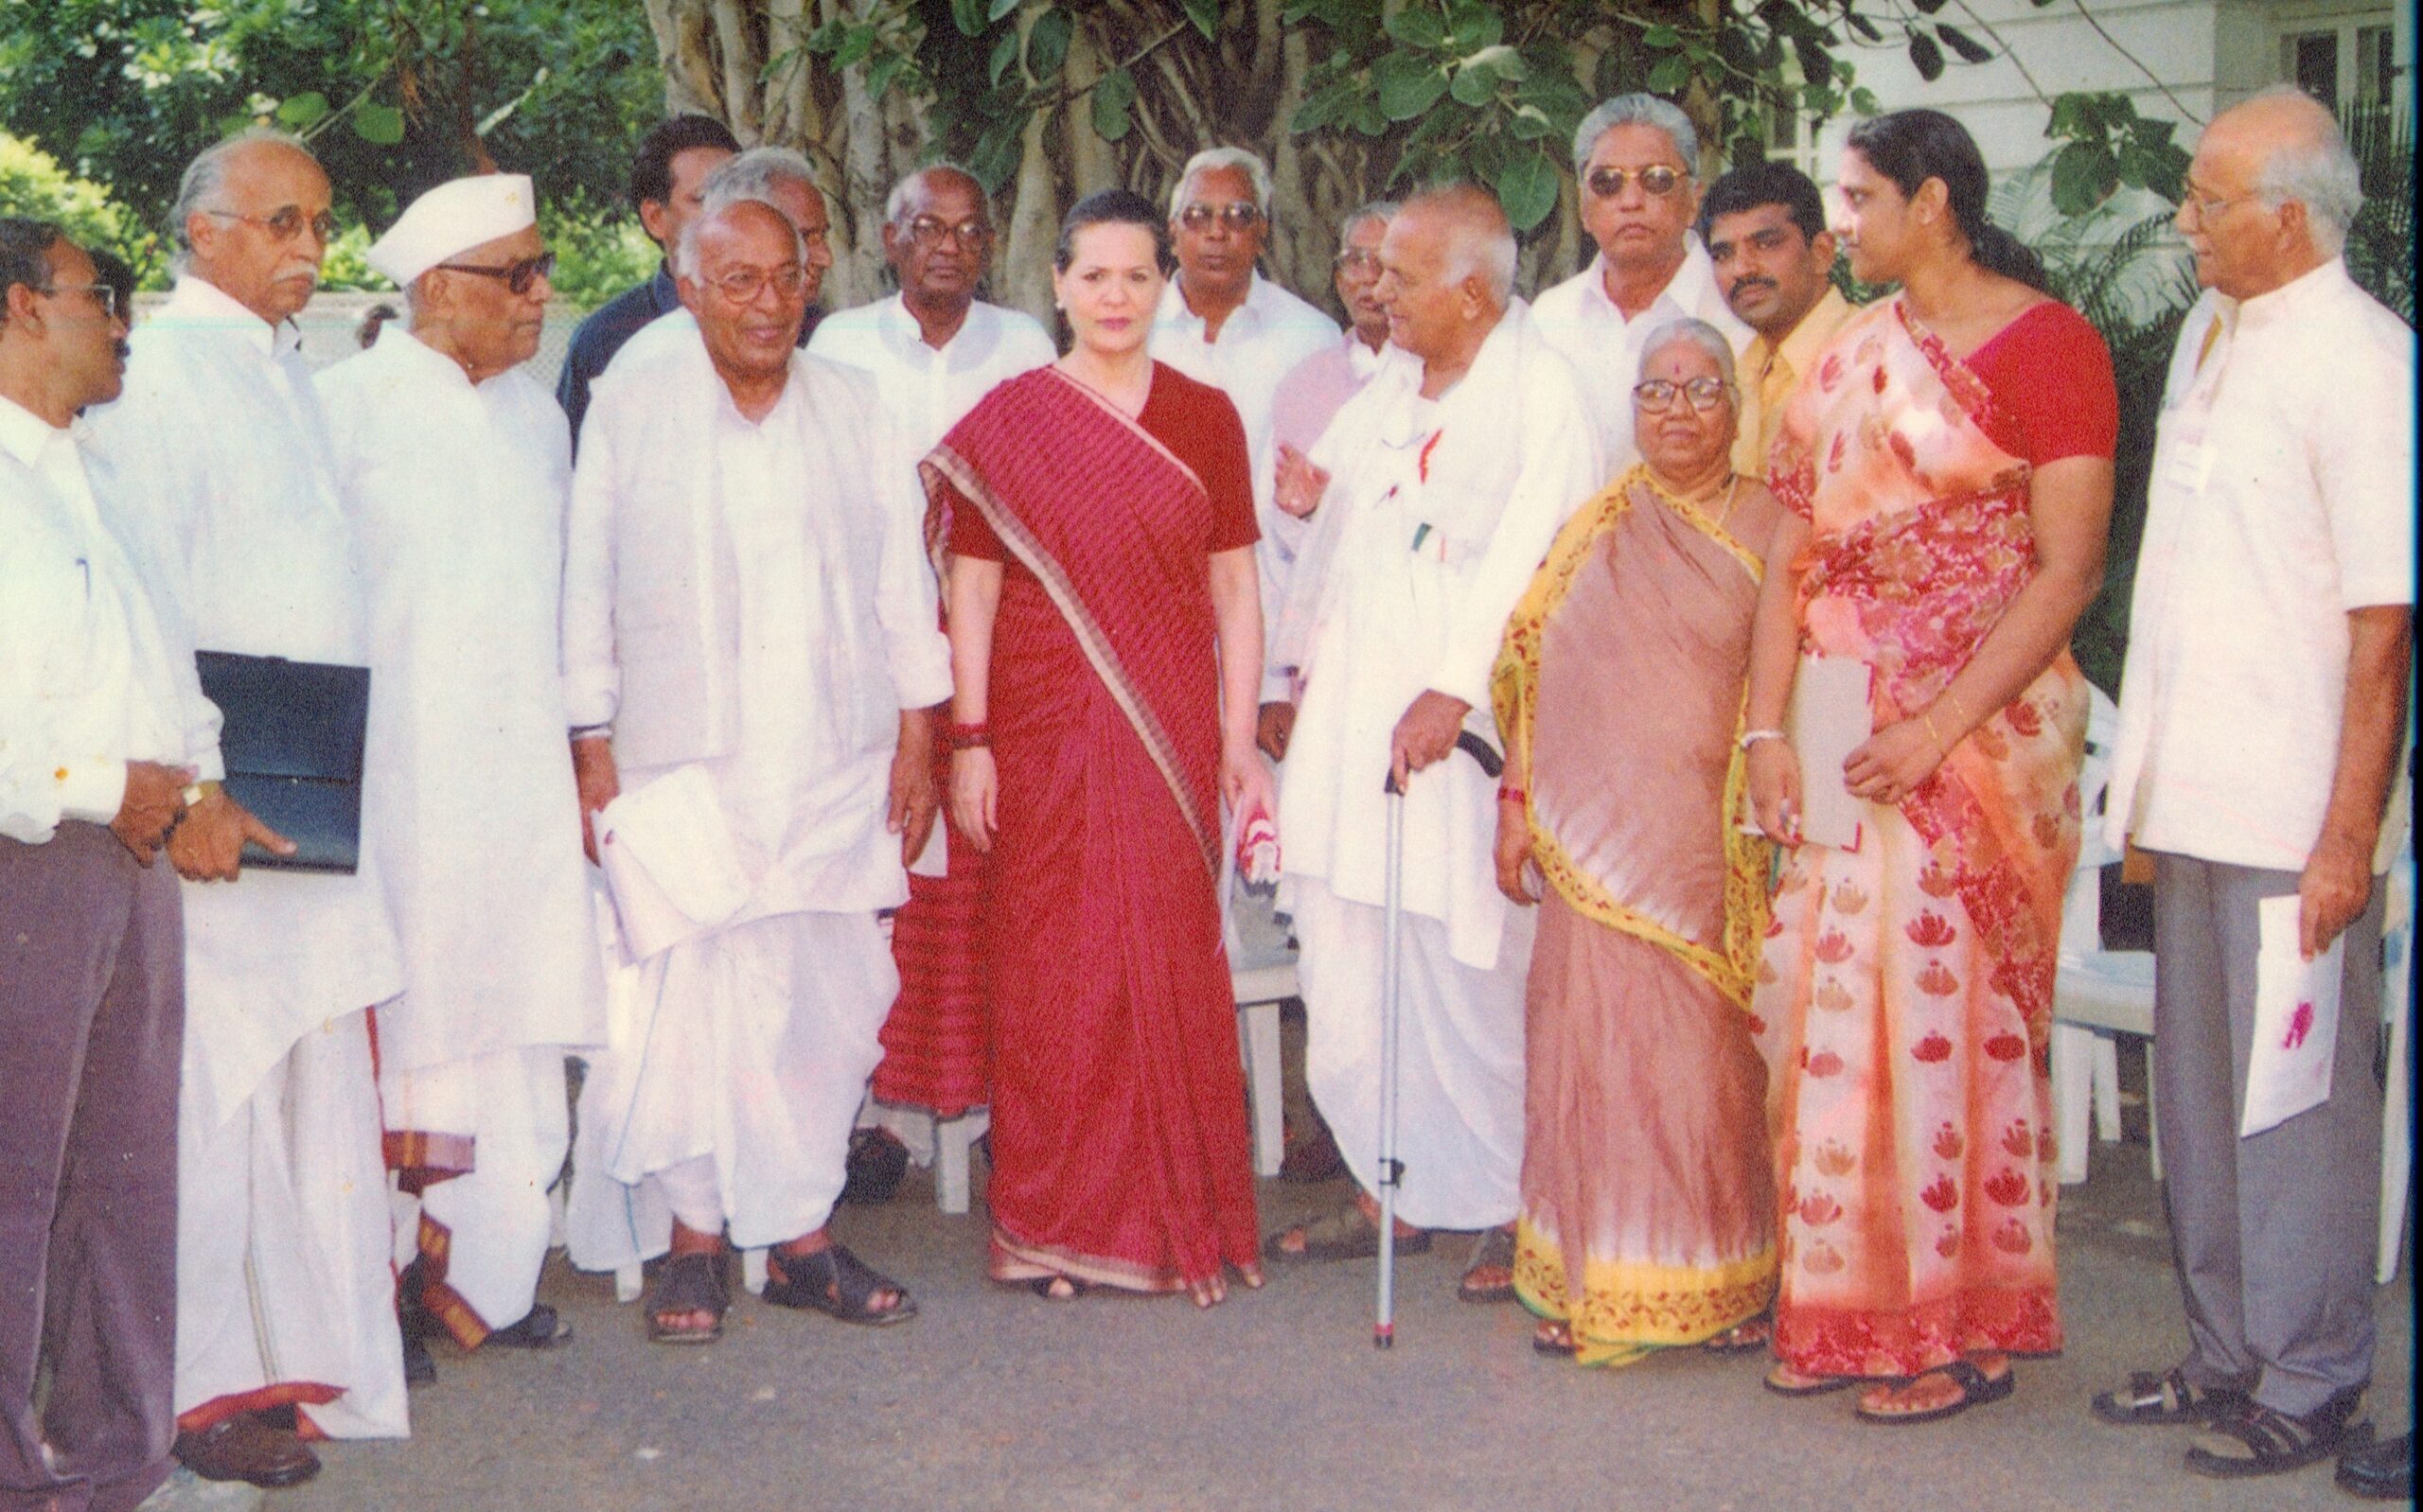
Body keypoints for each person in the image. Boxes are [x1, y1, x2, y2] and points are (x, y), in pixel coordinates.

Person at [1742, 109, 2116, 1425]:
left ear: (1934, 200)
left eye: (1856, 200)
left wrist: (1939, 723)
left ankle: (1948, 1331)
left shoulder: (2050, 345)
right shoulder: (1848, 356)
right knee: (1815, 1006)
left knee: (1934, 1021)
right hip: (1841, 711)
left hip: (1976, 737)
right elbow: (1792, 554)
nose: (1839, 226)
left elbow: (2067, 571)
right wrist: (1768, 731)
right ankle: (1836, 1309)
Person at [559, 197, 947, 1344]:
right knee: (683, 1001)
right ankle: (693, 1239)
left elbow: (898, 578)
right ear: (686, 286)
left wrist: (922, 727)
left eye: (786, 279)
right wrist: (589, 740)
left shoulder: (853, 402)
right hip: (678, 759)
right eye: (739, 282)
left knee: (824, 1003)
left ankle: (798, 1237)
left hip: (836, 754)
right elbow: (586, 576)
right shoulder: (632, 396)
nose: (770, 303)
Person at [83, 129, 410, 1487]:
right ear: (202, 232)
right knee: (207, 1092)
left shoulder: (287, 371)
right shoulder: (158, 381)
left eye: (320, 225)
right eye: (280, 222)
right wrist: (197, 783)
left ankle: (287, 1355)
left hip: (306, 795)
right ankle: (195, 1385)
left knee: (291, 1079)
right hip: (220, 808)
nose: (307, 248)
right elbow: (144, 603)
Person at [2097, 88, 2413, 1480]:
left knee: (2298, 1110)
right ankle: (2225, 1352)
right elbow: (2174, 589)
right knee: (2203, 1107)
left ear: (2290, 215)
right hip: (2198, 800)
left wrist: (2349, 835)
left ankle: (2313, 1370)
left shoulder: (2366, 358)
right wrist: (2144, 802)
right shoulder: (2213, 337)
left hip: (2297, 814)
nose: (2187, 221)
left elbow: (2383, 622)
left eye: (2211, 200)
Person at [928, 187, 1272, 1307]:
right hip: (1036, 722)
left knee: (1163, 958)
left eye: (1137, 276)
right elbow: (970, 589)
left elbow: (1235, 586)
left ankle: (1166, 1220)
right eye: (1094, 276)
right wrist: (970, 739)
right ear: (1059, 287)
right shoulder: (1013, 417)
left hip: (1168, 722)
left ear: (1161, 285)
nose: (1115, 296)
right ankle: (1041, 1224)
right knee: (1053, 972)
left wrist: (1236, 737)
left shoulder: (1206, 416)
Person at [1265, 185, 1601, 1303]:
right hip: (1354, 710)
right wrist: (1316, 499)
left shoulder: (1543, 391)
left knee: (1471, 964)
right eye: (1371, 272)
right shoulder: (1395, 379)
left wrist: (1452, 693)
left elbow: (1533, 562)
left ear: (1471, 289)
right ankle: (1390, 1183)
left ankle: (1509, 1197)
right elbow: (1355, 516)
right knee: (1350, 949)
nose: (1374, 291)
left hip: (1460, 729)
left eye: (1399, 277)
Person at [317, 175, 606, 1380]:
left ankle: (490, 1272)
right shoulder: (341, 410)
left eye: (542, 270)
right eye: (518, 274)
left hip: (521, 788)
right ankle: (383, 1283)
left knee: (519, 1022)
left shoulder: (539, 416)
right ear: (437, 289)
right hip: (404, 788)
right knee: (415, 1030)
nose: (542, 295)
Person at [1491, 317, 1786, 1365]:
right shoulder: (1597, 524)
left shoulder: (1769, 523)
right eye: (1656, 391)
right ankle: (1594, 1276)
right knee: (1589, 1053)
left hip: (1701, 831)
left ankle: (1723, 1279)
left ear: (1735, 408)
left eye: (1701, 389)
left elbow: (1780, 691)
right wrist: (1518, 799)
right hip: (1585, 833)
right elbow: (1529, 665)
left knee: (1698, 1058)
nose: (1676, 410)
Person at [0, 218, 200, 1512]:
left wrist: (191, 786)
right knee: (14, 1183)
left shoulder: (92, 475)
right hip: (30, 863)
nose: (120, 319)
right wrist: (97, 788)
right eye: (98, 294)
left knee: (125, 1174)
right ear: (20, 308)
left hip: (137, 859)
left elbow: (164, 673)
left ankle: (120, 1465)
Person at [810, 163, 1054, 1180]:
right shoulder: (839, 345)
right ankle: (868, 1115)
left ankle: (1011, 1096)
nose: (945, 245)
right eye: (924, 227)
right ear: (889, 239)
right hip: (872, 649)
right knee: (885, 874)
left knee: (998, 877)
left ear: (989, 242)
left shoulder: (1030, 348)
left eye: (965, 228)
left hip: (1002, 647)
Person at [1150, 148, 1340, 712]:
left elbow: (1323, 516)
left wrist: (1282, 679)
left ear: (1262, 230)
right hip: (1151, 626)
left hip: (1269, 638)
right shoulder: (1132, 334)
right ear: (1172, 230)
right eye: (1198, 217)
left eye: (1237, 217)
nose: (1216, 234)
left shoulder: (1309, 337)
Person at [1532, 94, 1750, 474]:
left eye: (1657, 180)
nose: (1631, 200)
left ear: (1694, 201)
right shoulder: (1549, 317)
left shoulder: (1737, 314)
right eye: (1607, 183)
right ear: (1584, 208)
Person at [1259, 198, 1399, 767]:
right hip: (1317, 668)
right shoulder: (1305, 385)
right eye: (1355, 262)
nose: (1369, 281)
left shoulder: (1455, 381)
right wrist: (1271, 688)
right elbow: (1269, 546)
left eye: (1386, 263)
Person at [555, 114, 738, 448]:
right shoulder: (606, 340)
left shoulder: (787, 322)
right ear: (655, 218)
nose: (727, 215)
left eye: (737, 195)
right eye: (704, 200)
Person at [1700, 161, 1856, 479]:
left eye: (1766, 244)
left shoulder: (1871, 357)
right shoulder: (1734, 374)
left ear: (1822, 253)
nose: (1742, 268)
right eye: (1723, 254)